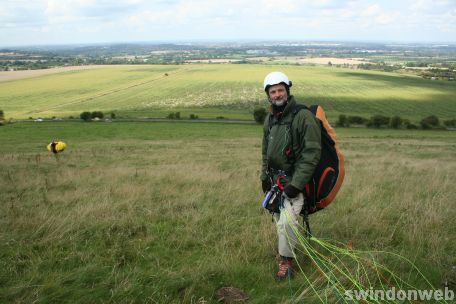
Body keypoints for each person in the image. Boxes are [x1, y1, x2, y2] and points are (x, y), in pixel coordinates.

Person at [260, 71, 322, 281]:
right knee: (280, 222)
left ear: (287, 91)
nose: (277, 94)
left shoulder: (302, 116)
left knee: (286, 223)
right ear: (268, 95)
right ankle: (284, 253)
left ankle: (286, 262)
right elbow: (265, 151)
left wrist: (296, 185)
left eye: (280, 90)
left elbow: (311, 154)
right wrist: (263, 176)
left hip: (295, 184)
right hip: (275, 184)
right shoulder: (270, 118)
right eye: (273, 91)